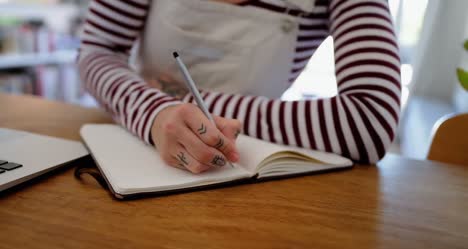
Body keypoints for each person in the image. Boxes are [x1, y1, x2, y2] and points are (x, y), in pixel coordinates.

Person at [78, 0, 401, 173]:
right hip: (133, 150)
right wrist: (154, 113)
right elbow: (97, 51)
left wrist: (178, 102)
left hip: (247, 169)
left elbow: (369, 120)